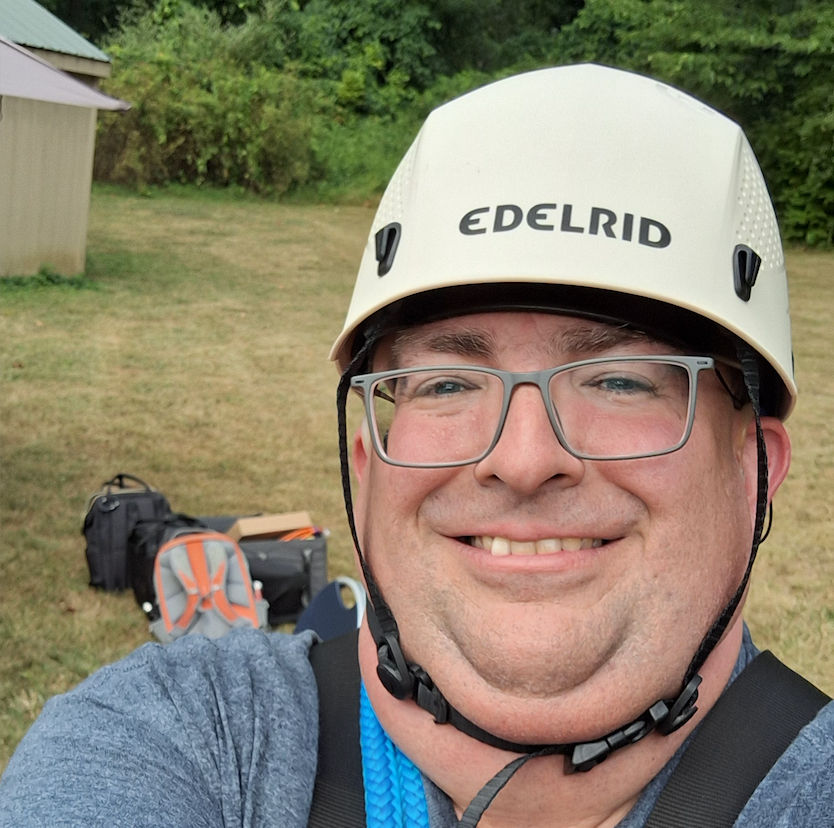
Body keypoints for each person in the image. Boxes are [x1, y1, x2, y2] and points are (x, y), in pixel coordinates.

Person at [0, 63, 831, 827]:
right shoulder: (182, 741)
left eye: (622, 379)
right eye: (447, 383)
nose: (523, 457)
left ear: (755, 471)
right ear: (368, 468)